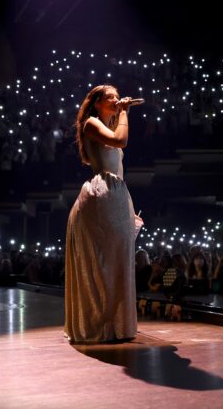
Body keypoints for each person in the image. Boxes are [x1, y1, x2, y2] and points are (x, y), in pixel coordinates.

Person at [64, 84, 143, 344]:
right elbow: (121, 141)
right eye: (110, 97)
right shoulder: (91, 124)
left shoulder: (105, 126)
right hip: (103, 194)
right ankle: (99, 325)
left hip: (117, 195)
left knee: (117, 261)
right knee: (103, 263)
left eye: (118, 97)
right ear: (96, 102)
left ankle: (113, 325)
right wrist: (125, 114)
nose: (117, 99)